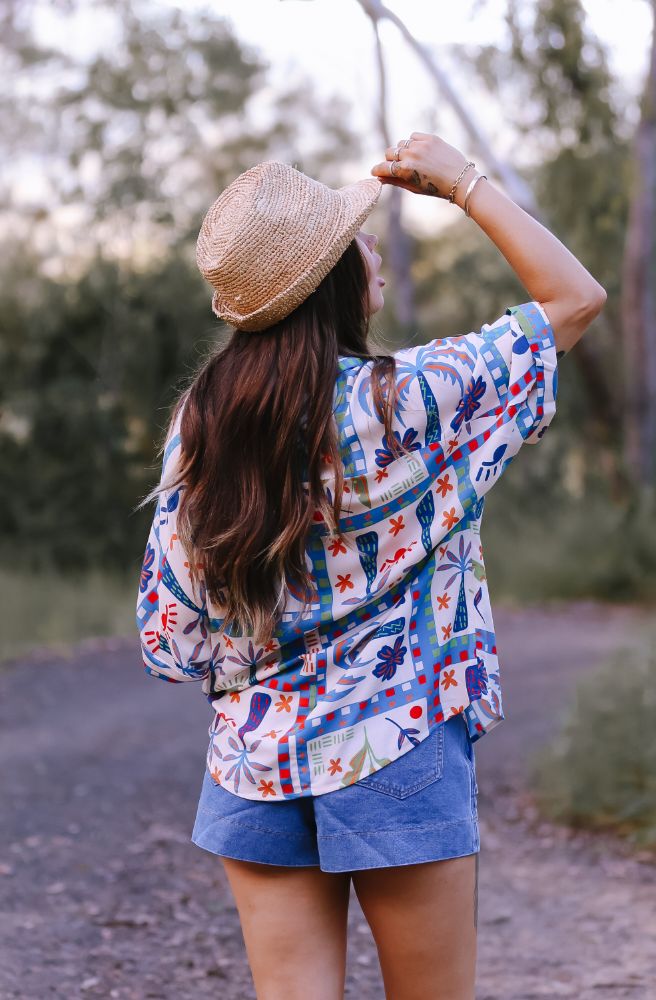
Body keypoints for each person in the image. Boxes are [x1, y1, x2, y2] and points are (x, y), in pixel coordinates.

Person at [135, 132, 606, 1000]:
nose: (374, 244)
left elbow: (172, 636)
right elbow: (574, 297)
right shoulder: (414, 397)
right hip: (400, 743)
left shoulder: (200, 428)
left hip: (254, 759)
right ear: (330, 281)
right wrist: (464, 184)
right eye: (355, 234)